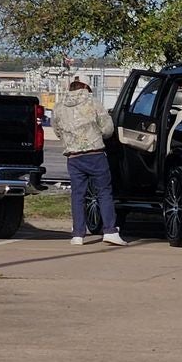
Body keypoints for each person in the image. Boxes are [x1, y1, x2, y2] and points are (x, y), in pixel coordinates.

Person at [52, 77, 127, 246]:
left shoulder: (58, 106)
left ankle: (78, 234)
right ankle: (110, 230)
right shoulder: (93, 103)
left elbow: (57, 130)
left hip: (73, 156)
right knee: (104, 192)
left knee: (78, 195)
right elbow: (108, 129)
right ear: (86, 86)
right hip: (95, 154)